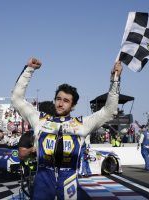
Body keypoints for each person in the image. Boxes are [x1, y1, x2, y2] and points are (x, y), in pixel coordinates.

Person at [11, 58, 121, 200]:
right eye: (58, 99)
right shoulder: (40, 120)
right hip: (43, 182)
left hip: (69, 183)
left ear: (73, 106)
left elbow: (109, 111)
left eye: (66, 100)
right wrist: (28, 70)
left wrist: (115, 80)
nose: (61, 103)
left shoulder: (82, 124)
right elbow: (16, 99)